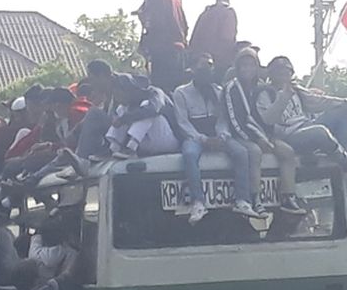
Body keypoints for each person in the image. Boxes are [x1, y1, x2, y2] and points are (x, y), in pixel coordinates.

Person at [173, 53, 261, 222]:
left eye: (210, 66)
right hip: (195, 136)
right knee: (189, 155)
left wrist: (222, 136)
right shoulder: (181, 92)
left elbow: (223, 119)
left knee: (241, 152)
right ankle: (198, 202)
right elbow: (183, 123)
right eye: (203, 66)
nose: (207, 70)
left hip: (218, 135)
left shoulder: (219, 91)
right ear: (192, 69)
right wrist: (202, 139)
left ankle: (243, 200)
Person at [223, 48, 305, 215]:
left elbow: (266, 117)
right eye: (243, 65)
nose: (248, 69)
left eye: (252, 65)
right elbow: (235, 121)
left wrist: (266, 138)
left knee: (287, 152)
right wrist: (257, 139)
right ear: (237, 67)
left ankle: (288, 197)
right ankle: (256, 198)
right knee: (255, 152)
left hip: (265, 135)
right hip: (240, 135)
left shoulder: (262, 88)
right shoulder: (231, 88)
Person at [256, 56, 347, 177]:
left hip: (306, 126)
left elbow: (319, 101)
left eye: (286, 73)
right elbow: (268, 120)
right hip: (288, 136)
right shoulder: (264, 94)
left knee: (342, 112)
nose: (283, 77)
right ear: (271, 75)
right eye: (279, 73)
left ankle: (341, 157)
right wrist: (283, 99)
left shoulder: (296, 90)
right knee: (320, 132)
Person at [138, 0, 189, 93]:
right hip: (179, 52)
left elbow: (154, 24)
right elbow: (185, 25)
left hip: (163, 53)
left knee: (162, 95)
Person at [105, 72, 182, 159]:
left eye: (119, 94)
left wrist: (123, 119)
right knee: (121, 109)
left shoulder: (155, 93)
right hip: (146, 141)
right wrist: (116, 118)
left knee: (146, 109)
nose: (117, 98)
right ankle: (113, 148)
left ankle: (131, 149)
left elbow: (153, 110)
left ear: (128, 90)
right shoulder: (125, 103)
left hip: (167, 140)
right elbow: (114, 113)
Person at [188, 0, 238, 74]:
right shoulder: (228, 13)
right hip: (220, 65)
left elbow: (194, 40)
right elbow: (227, 39)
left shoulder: (205, 13)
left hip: (199, 64)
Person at [29, 216, 78, 280]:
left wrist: (37, 234)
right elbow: (67, 276)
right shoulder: (71, 253)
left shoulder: (35, 252)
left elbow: (35, 242)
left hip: (37, 288)